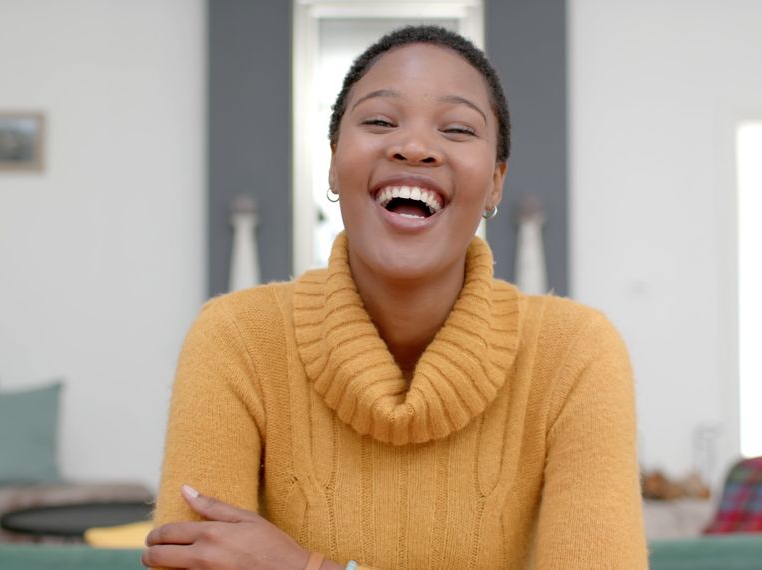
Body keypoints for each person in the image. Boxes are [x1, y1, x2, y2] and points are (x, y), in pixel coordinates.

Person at [142, 25, 646, 570]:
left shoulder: (575, 353)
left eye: (456, 128)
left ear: (496, 182)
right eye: (380, 121)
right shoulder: (235, 337)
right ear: (334, 162)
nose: (413, 146)